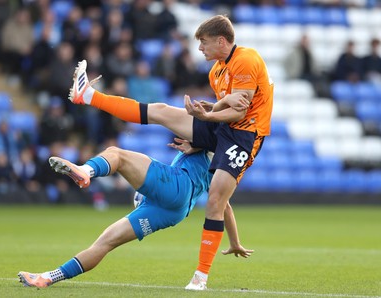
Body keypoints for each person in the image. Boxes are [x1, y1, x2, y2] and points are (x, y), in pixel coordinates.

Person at [66, 14, 273, 290]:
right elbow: (226, 109)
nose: (200, 48)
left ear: (221, 41)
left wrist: (209, 116)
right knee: (162, 111)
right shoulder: (216, 71)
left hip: (245, 137)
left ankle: (200, 277)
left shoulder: (246, 59)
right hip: (223, 129)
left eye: (204, 42)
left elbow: (240, 110)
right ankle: (89, 95)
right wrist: (207, 116)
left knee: (215, 201)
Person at [18, 139, 253, 288]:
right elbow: (224, 206)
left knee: (115, 154)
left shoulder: (217, 137)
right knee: (106, 242)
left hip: (177, 186)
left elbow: (199, 124)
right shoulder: (225, 161)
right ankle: (47, 278)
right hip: (175, 211)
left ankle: (85, 170)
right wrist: (235, 242)